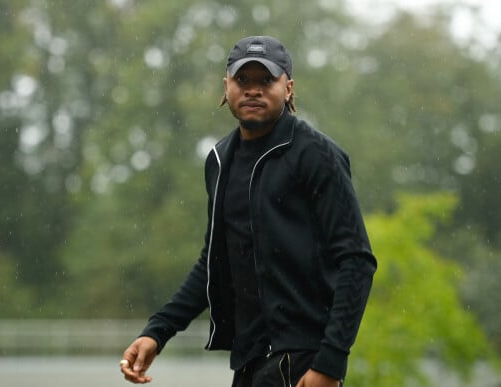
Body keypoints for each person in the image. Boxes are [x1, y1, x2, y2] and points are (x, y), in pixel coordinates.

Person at [120, 35, 377, 387]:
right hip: (248, 362)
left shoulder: (315, 154)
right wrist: (157, 332)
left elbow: (356, 260)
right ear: (226, 87)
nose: (253, 90)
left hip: (302, 361)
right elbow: (213, 262)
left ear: (288, 88)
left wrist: (330, 363)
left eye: (266, 80)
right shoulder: (220, 161)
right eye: (243, 80)